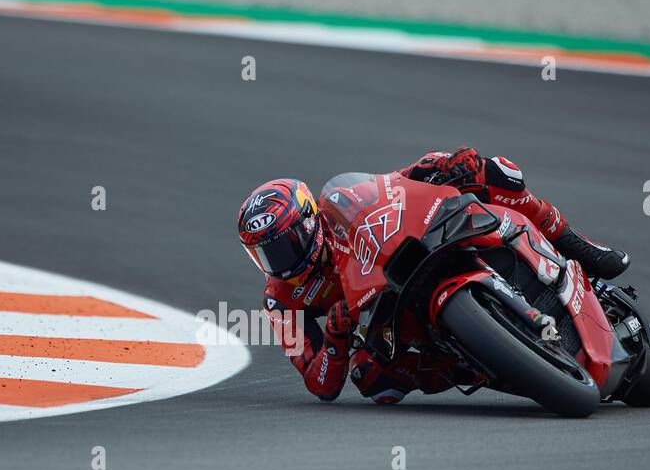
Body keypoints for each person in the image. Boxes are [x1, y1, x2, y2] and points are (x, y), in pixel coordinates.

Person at [236, 147, 629, 403]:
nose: (279, 261)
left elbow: (390, 185)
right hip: (381, 315)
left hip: (410, 248)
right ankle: (484, 362)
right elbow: (318, 382)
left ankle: (580, 246)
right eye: (265, 254)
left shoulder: (336, 207)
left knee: (492, 173)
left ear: (308, 222)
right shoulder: (279, 300)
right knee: (372, 381)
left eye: (283, 245)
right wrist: (337, 339)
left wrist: (439, 166)